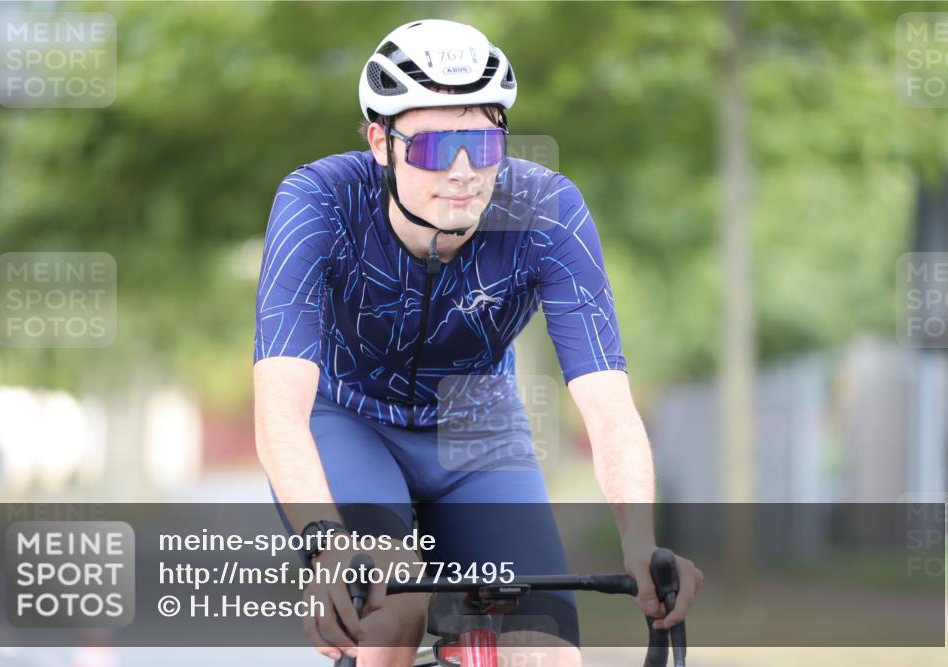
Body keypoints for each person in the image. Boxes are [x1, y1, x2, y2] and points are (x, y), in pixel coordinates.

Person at [253, 19, 703, 667]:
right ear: (381, 143)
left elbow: (609, 408)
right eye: (435, 147)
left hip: (476, 420)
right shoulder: (319, 201)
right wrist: (325, 545)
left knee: (546, 654)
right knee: (391, 608)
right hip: (348, 414)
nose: (463, 171)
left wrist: (640, 542)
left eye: (484, 144)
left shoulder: (547, 210)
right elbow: (279, 408)